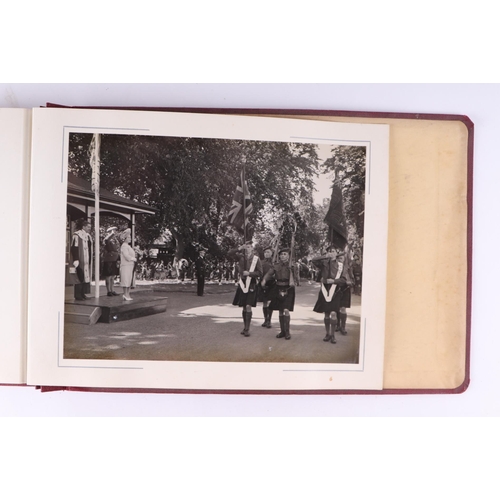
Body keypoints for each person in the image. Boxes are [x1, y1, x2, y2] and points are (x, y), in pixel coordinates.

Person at [311, 246, 349, 343]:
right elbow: (313, 260)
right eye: (329, 251)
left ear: (336, 253)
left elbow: (344, 280)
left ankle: (333, 335)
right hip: (324, 289)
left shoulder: (341, 265)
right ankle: (327, 333)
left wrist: (334, 281)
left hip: (335, 290)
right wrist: (324, 256)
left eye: (333, 251)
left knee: (333, 313)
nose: (331, 253)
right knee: (326, 314)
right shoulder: (323, 263)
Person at [229, 242, 263, 337]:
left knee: (248, 305)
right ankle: (245, 327)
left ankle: (247, 329)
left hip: (251, 283)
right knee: (244, 306)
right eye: (246, 247)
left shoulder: (256, 259)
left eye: (249, 247)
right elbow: (230, 253)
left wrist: (249, 274)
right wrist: (239, 248)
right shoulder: (241, 257)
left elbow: (260, 273)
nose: (247, 249)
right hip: (243, 283)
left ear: (252, 248)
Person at [262, 248, 295, 340]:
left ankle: (287, 332)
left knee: (286, 310)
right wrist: (264, 280)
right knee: (280, 310)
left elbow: (296, 277)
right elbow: (269, 274)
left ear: (288, 256)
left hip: (288, 289)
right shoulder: (276, 265)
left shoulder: (292, 265)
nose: (283, 256)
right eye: (281, 254)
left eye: (285, 254)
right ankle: (282, 331)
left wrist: (292, 269)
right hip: (278, 288)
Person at [70, 218, 93, 300]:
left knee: (85, 277)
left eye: (90, 227)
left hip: (86, 260)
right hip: (80, 258)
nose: (89, 229)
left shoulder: (88, 236)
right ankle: (78, 295)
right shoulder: (77, 235)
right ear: (83, 227)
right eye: (88, 227)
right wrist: (76, 259)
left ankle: (83, 294)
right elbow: (74, 247)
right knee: (79, 277)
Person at [257, 246, 275, 328]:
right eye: (265, 252)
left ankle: (269, 320)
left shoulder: (274, 263)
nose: (266, 254)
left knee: (270, 302)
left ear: (271, 253)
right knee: (264, 302)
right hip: (262, 283)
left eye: (268, 252)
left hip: (271, 283)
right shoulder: (261, 262)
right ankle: (265, 320)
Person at [102, 226, 120, 297]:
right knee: (108, 276)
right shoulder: (107, 240)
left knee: (113, 276)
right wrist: (111, 234)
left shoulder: (114, 240)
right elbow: (106, 240)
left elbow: (117, 249)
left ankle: (112, 290)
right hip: (109, 260)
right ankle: (108, 291)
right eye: (113, 231)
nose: (115, 232)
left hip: (114, 259)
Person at [120, 228, 136, 301]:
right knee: (126, 280)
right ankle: (125, 294)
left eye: (130, 237)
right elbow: (126, 256)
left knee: (129, 280)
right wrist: (133, 259)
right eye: (128, 237)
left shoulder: (128, 246)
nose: (130, 239)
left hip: (130, 265)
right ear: (125, 238)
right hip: (126, 265)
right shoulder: (124, 246)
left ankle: (127, 294)